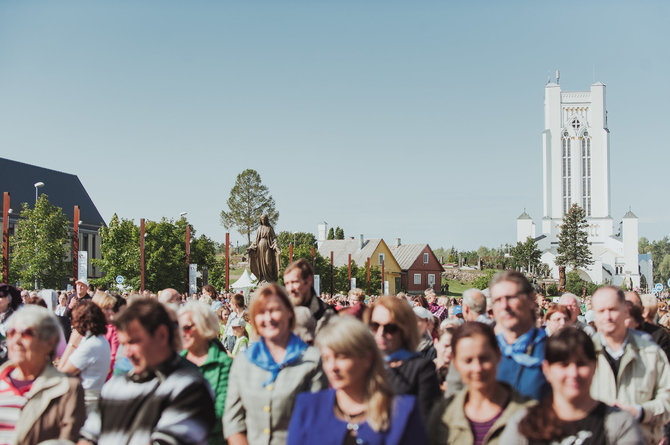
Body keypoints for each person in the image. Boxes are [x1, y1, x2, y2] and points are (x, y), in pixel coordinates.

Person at [79, 298, 215, 445]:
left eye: (134, 342)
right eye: (124, 344)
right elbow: (88, 438)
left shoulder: (189, 387)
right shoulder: (114, 386)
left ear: (162, 335)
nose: (127, 353)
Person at [287, 316, 427, 445]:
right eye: (326, 358)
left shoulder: (402, 411)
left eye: (341, 357)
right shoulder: (308, 407)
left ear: (367, 358)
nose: (332, 367)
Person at [499, 326, 644, 444]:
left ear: (594, 366)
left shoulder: (619, 423)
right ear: (547, 369)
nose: (573, 373)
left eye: (581, 364)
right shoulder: (523, 423)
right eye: (564, 365)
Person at [224, 283, 328, 445]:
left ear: (288, 314)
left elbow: (317, 421)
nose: (268, 318)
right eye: (261, 312)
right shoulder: (243, 362)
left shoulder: (312, 360)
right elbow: (233, 421)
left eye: (275, 310)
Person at [428, 322, 533, 445]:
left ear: (498, 356)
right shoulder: (443, 413)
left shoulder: (528, 414)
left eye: (484, 358)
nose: (477, 368)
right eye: (468, 361)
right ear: (455, 364)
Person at [589, 286, 670, 444]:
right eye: (601, 311)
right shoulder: (584, 354)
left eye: (612, 310)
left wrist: (640, 411)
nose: (607, 317)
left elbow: (667, 400)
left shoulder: (650, 352)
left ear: (625, 310)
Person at [0, 305, 85, 444]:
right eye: (11, 333)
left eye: (26, 333)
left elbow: (68, 438)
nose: (16, 341)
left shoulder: (67, 388)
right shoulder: (2, 381)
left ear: (50, 342)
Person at [365, 296, 440, 422]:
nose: (381, 333)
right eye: (375, 326)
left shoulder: (422, 369)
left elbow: (427, 422)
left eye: (390, 328)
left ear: (405, 330)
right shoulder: (364, 364)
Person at [178, 301, 232, 445]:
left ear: (204, 327)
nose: (182, 333)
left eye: (188, 327)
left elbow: (221, 413)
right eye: (179, 328)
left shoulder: (224, 364)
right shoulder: (175, 363)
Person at [489, 271, 548, 400]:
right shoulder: (485, 350)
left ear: (532, 300)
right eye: (498, 300)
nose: (504, 306)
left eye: (511, 298)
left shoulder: (551, 351)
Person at [58, 300, 111, 412]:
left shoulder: (92, 345)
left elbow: (61, 373)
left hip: (84, 405)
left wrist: (72, 343)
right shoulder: (100, 340)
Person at [283, 259, 334, 330]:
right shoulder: (283, 311)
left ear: (309, 280)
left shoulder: (326, 314)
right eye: (287, 283)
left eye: (294, 282)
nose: (290, 289)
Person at [626, 291, 670, 361]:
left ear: (643, 310)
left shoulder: (659, 335)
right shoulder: (613, 333)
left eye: (633, 307)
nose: (628, 310)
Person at [92, 292, 120, 379]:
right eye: (107, 309)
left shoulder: (113, 330)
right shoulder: (85, 329)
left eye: (111, 309)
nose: (111, 312)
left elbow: (113, 358)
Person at [247, 214, 281, 283]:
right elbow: (256, 240)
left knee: (268, 262)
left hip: (268, 246)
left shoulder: (270, 228)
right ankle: (263, 278)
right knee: (261, 263)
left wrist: (276, 246)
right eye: (262, 220)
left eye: (265, 219)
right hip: (260, 247)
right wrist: (251, 247)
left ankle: (270, 278)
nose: (263, 221)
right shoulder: (259, 228)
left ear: (267, 220)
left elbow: (274, 238)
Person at [433, 325, 455, 393]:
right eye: (446, 346)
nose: (450, 350)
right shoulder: (426, 370)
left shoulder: (461, 374)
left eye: (454, 347)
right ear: (436, 343)